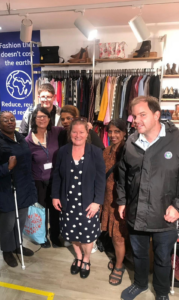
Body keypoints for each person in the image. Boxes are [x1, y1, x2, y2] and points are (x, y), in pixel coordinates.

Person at [117, 96, 179, 300]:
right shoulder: (132, 141)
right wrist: (122, 201)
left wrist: (177, 206)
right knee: (140, 255)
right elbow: (123, 174)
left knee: (162, 258)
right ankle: (140, 283)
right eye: (135, 116)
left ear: (157, 115)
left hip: (165, 214)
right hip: (137, 212)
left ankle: (161, 292)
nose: (137, 120)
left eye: (142, 115)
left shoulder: (176, 139)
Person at [52, 117, 106, 278]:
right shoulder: (62, 151)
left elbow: (101, 179)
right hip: (67, 202)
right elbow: (57, 176)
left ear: (87, 133)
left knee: (87, 235)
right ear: (70, 133)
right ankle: (79, 257)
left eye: (81, 132)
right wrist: (55, 196)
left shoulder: (95, 152)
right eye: (74, 132)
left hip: (88, 203)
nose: (77, 135)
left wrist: (98, 202)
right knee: (72, 233)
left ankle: (87, 259)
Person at [0, 111, 37, 268]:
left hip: (23, 188)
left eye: (12, 119)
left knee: (20, 221)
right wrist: (7, 167)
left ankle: (17, 245)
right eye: (5, 120)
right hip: (7, 190)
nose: (10, 122)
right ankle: (7, 250)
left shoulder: (20, 138)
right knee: (8, 224)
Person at [25, 107, 64, 248]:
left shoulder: (56, 132)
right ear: (34, 119)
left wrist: (86, 124)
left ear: (49, 119)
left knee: (55, 209)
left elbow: (73, 129)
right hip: (38, 181)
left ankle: (54, 235)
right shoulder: (28, 141)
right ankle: (42, 237)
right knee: (41, 210)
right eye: (39, 116)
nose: (42, 119)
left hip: (55, 180)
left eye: (45, 116)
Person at [101, 119, 128, 286]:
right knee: (112, 233)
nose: (113, 135)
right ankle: (120, 258)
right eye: (110, 131)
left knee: (119, 236)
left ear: (125, 132)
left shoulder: (129, 150)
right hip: (107, 198)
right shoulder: (106, 150)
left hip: (122, 201)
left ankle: (119, 265)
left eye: (117, 131)